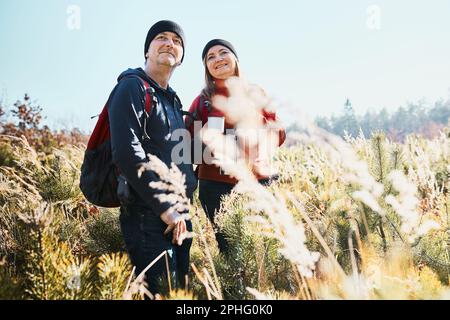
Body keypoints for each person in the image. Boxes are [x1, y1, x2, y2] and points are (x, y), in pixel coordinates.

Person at [108, 20, 197, 296]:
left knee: (179, 292)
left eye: (177, 40)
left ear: (181, 58)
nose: (170, 43)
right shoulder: (132, 87)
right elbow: (126, 151)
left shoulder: (174, 102)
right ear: (147, 50)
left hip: (180, 216)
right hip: (147, 214)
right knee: (158, 292)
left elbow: (183, 159)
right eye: (161, 37)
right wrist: (165, 207)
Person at [185, 39, 286, 254]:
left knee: (267, 247)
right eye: (210, 57)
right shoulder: (201, 101)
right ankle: (234, 289)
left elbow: (280, 135)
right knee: (231, 250)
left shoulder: (255, 93)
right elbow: (190, 150)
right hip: (215, 187)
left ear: (235, 59)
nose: (218, 59)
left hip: (259, 182)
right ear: (207, 68)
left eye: (223, 53)